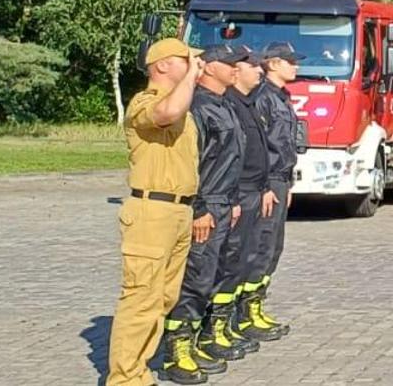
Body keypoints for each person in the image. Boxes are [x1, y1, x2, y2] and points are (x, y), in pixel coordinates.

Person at [107, 38, 202, 386]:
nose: (194, 65)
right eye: (185, 60)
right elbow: (167, 113)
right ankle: (125, 379)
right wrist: (192, 76)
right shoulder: (145, 102)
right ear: (162, 65)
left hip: (178, 211)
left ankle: (139, 371)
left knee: (162, 299)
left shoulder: (184, 106)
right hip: (151, 211)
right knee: (140, 300)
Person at [166, 44, 254, 383]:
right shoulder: (200, 108)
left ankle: (197, 338)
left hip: (223, 203)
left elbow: (229, 162)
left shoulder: (224, 105)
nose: (237, 68)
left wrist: (230, 201)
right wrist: (200, 208)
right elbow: (193, 164)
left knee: (212, 276)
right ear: (210, 68)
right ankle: (177, 351)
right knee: (195, 278)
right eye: (230, 63)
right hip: (206, 205)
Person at [246, 41, 305, 340]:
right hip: (267, 182)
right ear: (272, 64)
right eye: (290, 61)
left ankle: (256, 305)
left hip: (281, 180)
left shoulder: (282, 97)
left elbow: (285, 145)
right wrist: (266, 184)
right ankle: (244, 314)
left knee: (272, 248)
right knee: (260, 246)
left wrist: (288, 182)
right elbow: (259, 148)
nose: (296, 66)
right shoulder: (262, 98)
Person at [224, 46, 282, 344]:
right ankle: (220, 327)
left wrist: (268, 186)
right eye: (253, 66)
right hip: (239, 193)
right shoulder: (237, 104)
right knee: (233, 258)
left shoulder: (247, 103)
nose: (259, 71)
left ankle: (243, 315)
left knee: (258, 253)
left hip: (260, 188)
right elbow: (230, 158)